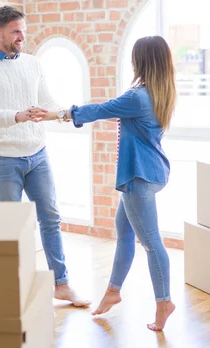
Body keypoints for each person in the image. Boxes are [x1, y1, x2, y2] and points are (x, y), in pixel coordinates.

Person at [48, 36, 177, 331]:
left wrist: (61, 114)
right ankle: (113, 291)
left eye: (135, 58)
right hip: (151, 173)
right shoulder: (160, 93)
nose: (132, 62)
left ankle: (164, 303)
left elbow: (101, 109)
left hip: (138, 177)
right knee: (125, 234)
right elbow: (114, 112)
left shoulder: (138, 97)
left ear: (142, 61)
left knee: (151, 242)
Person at [0, 5, 90, 307]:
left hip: (38, 155)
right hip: (4, 159)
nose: (21, 36)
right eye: (15, 31)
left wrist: (60, 114)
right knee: (13, 225)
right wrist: (19, 116)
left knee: (51, 218)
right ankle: (15, 288)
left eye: (23, 29)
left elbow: (46, 101)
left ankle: (61, 284)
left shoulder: (33, 64)